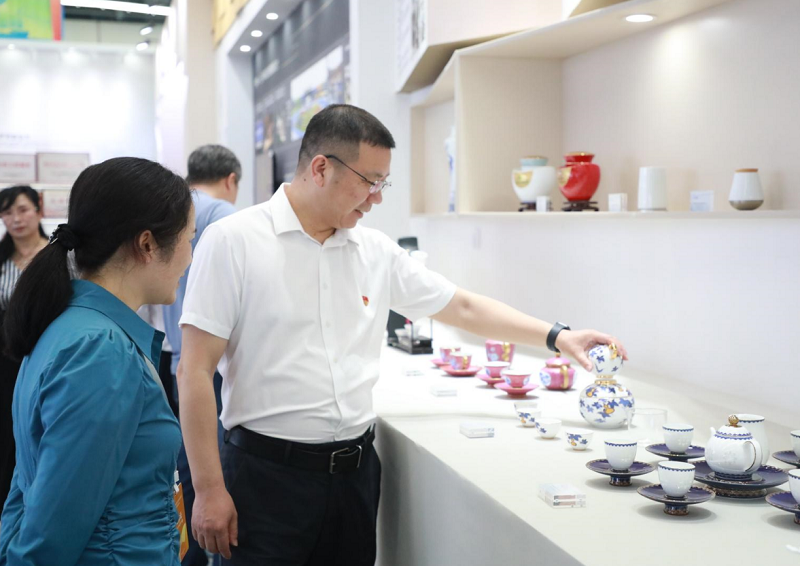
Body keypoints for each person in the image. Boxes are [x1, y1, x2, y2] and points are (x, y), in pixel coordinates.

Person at [177, 104, 628, 565]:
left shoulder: (374, 251)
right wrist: (209, 489)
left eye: (383, 183)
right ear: (321, 168)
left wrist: (558, 336)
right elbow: (194, 370)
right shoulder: (234, 241)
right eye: (370, 181)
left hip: (354, 480)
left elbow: (462, 306)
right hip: (265, 480)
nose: (376, 198)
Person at [0, 157, 194, 565]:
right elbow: (50, 533)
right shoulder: (100, 352)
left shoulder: (71, 327)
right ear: (147, 244)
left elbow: (27, 485)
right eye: (188, 239)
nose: (189, 257)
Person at [162, 144, 240, 566]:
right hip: (214, 364)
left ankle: (185, 554)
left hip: (178, 356)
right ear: (231, 180)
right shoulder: (227, 217)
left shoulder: (174, 209)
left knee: (185, 466)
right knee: (210, 471)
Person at [0, 186, 49, 508]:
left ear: (38, 209)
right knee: (8, 429)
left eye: (22, 209)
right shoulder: (2, 259)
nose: (16, 219)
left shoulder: (57, 255)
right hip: (6, 360)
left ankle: (43, 498)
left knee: (44, 424)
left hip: (48, 352)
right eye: (7, 213)